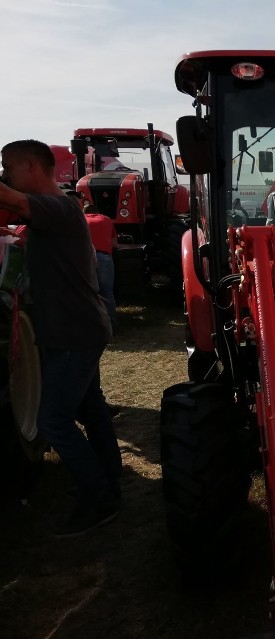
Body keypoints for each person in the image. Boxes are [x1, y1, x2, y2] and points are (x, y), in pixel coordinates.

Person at [0, 139, 121, 538]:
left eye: (8, 167)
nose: (5, 174)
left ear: (32, 166)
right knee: (90, 411)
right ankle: (109, 484)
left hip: (74, 333)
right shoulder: (55, 214)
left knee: (52, 419)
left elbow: (13, 202)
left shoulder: (58, 207)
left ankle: (98, 499)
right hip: (78, 329)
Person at [83, 203, 118, 332]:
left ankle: (91, 327)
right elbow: (114, 243)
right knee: (107, 292)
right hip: (105, 257)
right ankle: (112, 326)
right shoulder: (106, 219)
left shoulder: (81, 220)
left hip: (87, 258)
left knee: (88, 292)